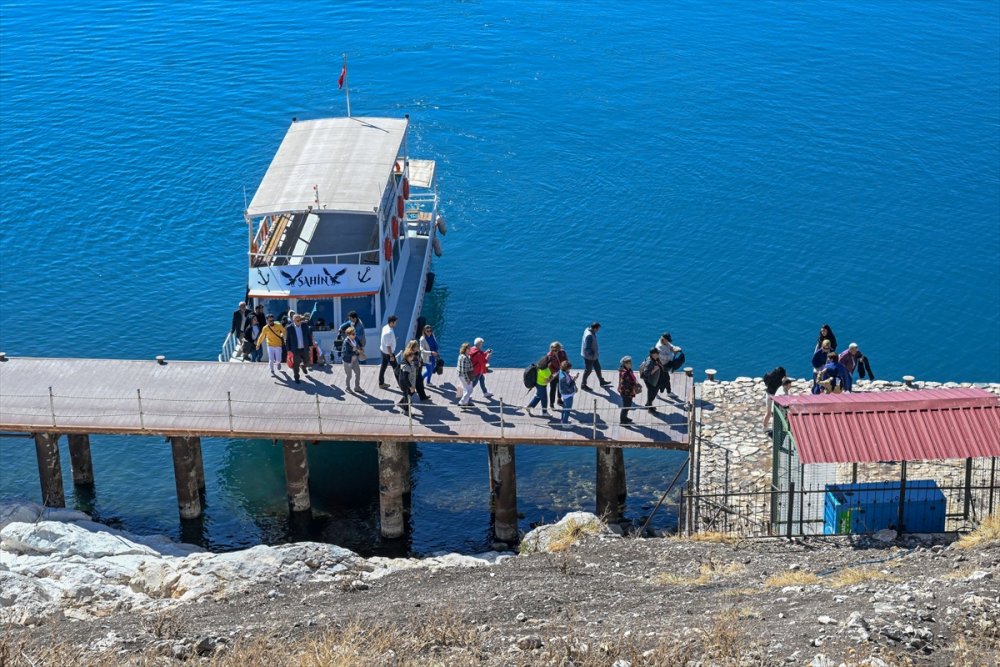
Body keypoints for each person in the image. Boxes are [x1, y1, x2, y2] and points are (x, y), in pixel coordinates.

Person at [580, 322, 611, 391]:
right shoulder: (589, 336)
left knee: (598, 368)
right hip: (589, 357)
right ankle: (583, 385)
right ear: (595, 328)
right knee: (588, 370)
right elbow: (587, 348)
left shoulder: (587, 329)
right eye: (598, 329)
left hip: (593, 356)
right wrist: (592, 355)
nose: (598, 330)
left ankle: (601, 381)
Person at [284, 313, 313, 384]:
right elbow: (287, 340)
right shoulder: (289, 328)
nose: (299, 321)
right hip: (295, 349)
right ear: (293, 321)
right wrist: (288, 350)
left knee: (307, 361)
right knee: (296, 364)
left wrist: (311, 345)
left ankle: (303, 366)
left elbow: (309, 335)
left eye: (300, 320)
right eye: (297, 320)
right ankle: (296, 376)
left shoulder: (304, 325)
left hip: (304, 348)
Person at [654, 332, 684, 396]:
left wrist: (676, 348)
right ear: (663, 339)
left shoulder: (666, 342)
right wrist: (673, 354)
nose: (667, 341)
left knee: (666, 379)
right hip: (661, 366)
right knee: (661, 380)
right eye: (667, 340)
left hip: (667, 364)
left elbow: (671, 346)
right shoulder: (658, 347)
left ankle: (668, 392)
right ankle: (656, 393)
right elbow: (664, 357)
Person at [762, 366, 787, 434]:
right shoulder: (781, 381)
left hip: (768, 394)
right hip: (776, 396)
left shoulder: (768, 376)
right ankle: (775, 429)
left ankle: (764, 427)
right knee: (777, 414)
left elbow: (765, 382)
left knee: (768, 412)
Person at [638, 348, 663, 412]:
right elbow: (646, 373)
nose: (658, 354)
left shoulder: (654, 358)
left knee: (653, 392)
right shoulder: (650, 363)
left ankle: (648, 404)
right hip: (650, 381)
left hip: (654, 379)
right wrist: (654, 369)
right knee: (652, 393)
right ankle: (650, 408)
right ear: (653, 354)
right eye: (657, 353)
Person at [396, 345, 418, 415]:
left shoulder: (409, 361)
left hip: (409, 383)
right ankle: (406, 411)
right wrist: (410, 386)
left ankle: (401, 403)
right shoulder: (405, 366)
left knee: (410, 394)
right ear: (407, 357)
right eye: (411, 356)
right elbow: (405, 378)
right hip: (406, 385)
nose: (413, 357)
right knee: (407, 397)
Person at [545, 342, 568, 407]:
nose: (554, 352)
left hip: (562, 373)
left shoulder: (562, 352)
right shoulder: (549, 356)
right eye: (553, 350)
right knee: (553, 389)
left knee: (560, 388)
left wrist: (566, 369)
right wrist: (557, 372)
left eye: (556, 350)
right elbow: (549, 367)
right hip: (553, 375)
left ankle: (559, 399)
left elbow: (566, 361)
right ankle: (551, 403)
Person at [618, 356, 640, 424]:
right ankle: (622, 421)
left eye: (630, 362)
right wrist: (633, 389)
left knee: (628, 405)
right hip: (626, 392)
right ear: (625, 364)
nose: (631, 364)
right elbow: (626, 385)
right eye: (629, 363)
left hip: (628, 391)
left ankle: (625, 418)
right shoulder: (625, 373)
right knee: (625, 407)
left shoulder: (628, 370)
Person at [341, 326, 363, 393]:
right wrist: (355, 352)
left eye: (355, 333)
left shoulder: (356, 339)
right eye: (353, 334)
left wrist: (360, 349)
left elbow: (360, 345)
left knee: (358, 373)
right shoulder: (346, 343)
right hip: (348, 361)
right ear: (348, 335)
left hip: (355, 359)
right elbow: (345, 353)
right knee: (349, 375)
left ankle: (357, 387)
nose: (355, 335)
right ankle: (347, 387)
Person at [556, 360, 578, 427]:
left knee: (564, 407)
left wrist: (572, 379)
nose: (570, 369)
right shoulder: (563, 378)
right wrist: (574, 380)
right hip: (567, 394)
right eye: (569, 368)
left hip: (565, 393)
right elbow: (568, 387)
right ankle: (565, 424)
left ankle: (563, 420)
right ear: (566, 368)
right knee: (567, 409)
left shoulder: (562, 371)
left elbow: (568, 378)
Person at [379, 315, 398, 388]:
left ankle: (381, 383)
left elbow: (387, 341)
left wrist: (393, 340)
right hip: (388, 353)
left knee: (383, 367)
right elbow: (388, 346)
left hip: (383, 351)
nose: (396, 324)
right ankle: (401, 384)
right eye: (395, 322)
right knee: (396, 368)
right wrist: (391, 356)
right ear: (392, 322)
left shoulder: (386, 327)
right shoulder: (388, 332)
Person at [456, 342, 475, 407]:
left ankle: (465, 403)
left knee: (466, 389)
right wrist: (467, 379)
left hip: (461, 375)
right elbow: (464, 371)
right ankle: (461, 402)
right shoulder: (464, 358)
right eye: (468, 348)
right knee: (470, 390)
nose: (470, 349)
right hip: (465, 376)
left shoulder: (461, 355)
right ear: (465, 349)